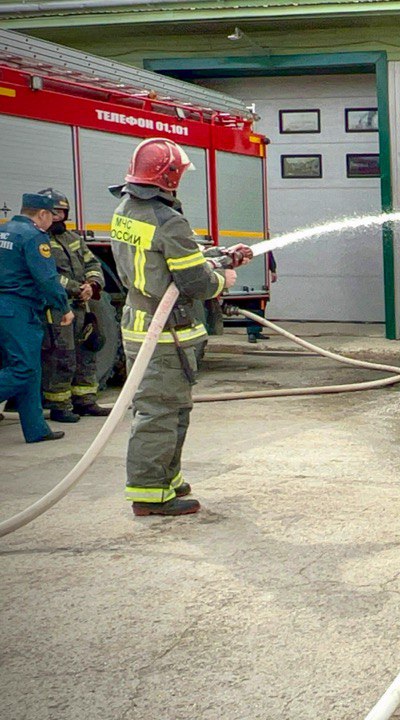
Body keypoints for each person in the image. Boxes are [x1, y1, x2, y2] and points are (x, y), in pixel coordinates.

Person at [110, 137, 252, 516]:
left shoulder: (127, 208)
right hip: (163, 330)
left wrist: (216, 256)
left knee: (170, 407)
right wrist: (224, 278)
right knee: (160, 411)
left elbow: (166, 259)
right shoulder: (168, 219)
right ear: (168, 175)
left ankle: (166, 477)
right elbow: (195, 284)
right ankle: (149, 492)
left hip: (140, 321)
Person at [0, 193, 73, 443]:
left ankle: (36, 429)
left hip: (4, 308)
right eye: (50, 217)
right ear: (41, 214)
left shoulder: (5, 230)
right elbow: (46, 278)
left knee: (30, 369)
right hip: (18, 310)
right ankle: (36, 428)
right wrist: (63, 307)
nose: (52, 222)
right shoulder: (34, 236)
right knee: (23, 369)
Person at [37, 188, 110, 422]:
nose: (57, 216)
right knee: (61, 355)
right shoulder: (38, 241)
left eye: (61, 211)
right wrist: (75, 288)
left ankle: (85, 401)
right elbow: (46, 275)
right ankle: (59, 405)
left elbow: (92, 263)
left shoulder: (74, 239)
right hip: (57, 308)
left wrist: (93, 284)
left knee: (87, 352)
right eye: (53, 211)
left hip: (81, 307)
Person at [246, 251, 277, 343]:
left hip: (259, 278)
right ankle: (252, 332)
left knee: (261, 305)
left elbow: (269, 255)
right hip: (250, 279)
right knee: (252, 306)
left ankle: (256, 331)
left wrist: (273, 270)